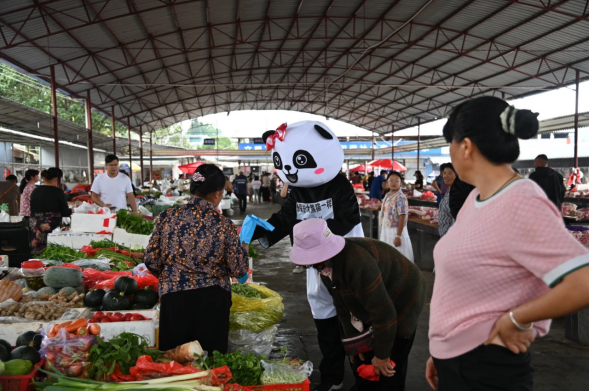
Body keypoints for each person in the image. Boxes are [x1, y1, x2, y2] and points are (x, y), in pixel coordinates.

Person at [425, 96, 589, 391]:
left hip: (487, 367)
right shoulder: (476, 198)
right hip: (457, 360)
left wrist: (516, 318)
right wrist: (443, 347)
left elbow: (583, 282)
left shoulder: (521, 200)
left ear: (465, 146)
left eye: (450, 143)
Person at [290, 219, 426, 391]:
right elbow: (343, 308)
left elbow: (384, 313)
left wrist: (383, 356)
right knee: (365, 359)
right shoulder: (325, 268)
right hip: (379, 298)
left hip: (404, 295)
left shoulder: (358, 262)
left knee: (391, 363)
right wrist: (354, 345)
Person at [144, 164, 249, 353]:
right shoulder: (224, 224)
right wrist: (244, 248)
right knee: (210, 366)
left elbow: (151, 260)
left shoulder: (167, 217)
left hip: (174, 299)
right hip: (212, 302)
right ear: (217, 194)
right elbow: (239, 271)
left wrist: (173, 277)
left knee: (176, 364)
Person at [29, 168, 72, 255]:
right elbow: (65, 212)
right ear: (56, 179)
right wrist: (72, 210)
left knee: (36, 252)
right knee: (50, 253)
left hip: (35, 226)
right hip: (51, 228)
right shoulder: (58, 192)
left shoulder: (35, 191)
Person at [380, 171, 414, 262]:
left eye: (396, 180)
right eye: (391, 180)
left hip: (395, 230)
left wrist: (398, 236)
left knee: (398, 256)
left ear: (401, 183)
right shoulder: (387, 195)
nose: (393, 183)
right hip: (387, 228)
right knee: (388, 255)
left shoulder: (401, 197)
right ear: (387, 183)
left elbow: (402, 217)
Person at [438, 164, 457, 238]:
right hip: (444, 236)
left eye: (450, 173)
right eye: (444, 173)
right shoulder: (448, 192)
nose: (445, 176)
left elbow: (456, 220)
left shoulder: (457, 196)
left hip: (451, 238)